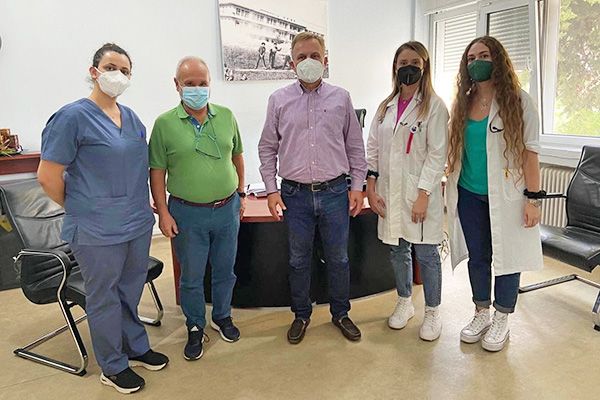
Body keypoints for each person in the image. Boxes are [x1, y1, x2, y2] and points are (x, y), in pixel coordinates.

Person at [37, 43, 169, 394]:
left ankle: (135, 347)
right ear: (94, 71)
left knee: (130, 288)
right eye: (111, 67)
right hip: (96, 229)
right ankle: (112, 365)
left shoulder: (133, 119)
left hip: (136, 222)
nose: (118, 75)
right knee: (104, 296)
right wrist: (84, 206)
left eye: (125, 71)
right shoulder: (72, 117)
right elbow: (48, 177)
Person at [258, 32, 368, 344]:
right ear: (292, 63)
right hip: (295, 195)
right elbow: (267, 148)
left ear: (325, 60)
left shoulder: (341, 98)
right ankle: (301, 314)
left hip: (335, 192)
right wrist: (271, 190)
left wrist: (357, 186)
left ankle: (341, 313)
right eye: (302, 57)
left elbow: (355, 147)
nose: (309, 62)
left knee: (339, 259)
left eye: (315, 56)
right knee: (298, 259)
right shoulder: (278, 100)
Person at [446, 36, 543, 352]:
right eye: (471, 58)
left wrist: (533, 199)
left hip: (507, 195)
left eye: (484, 55)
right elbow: (456, 149)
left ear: (498, 59)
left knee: (507, 256)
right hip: (469, 193)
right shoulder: (463, 102)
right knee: (479, 256)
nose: (477, 62)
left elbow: (530, 154)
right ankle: (481, 312)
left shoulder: (519, 101)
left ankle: (502, 316)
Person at [149, 56, 245, 361]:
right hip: (187, 213)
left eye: (202, 83)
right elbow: (156, 171)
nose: (197, 89)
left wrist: (241, 193)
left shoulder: (226, 116)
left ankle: (222, 316)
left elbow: (237, 156)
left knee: (225, 270)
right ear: (177, 85)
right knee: (191, 276)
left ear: (209, 84)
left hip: (227, 209)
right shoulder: (164, 124)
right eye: (189, 84)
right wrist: (163, 212)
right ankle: (194, 325)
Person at [366, 41, 448, 341]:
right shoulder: (385, 106)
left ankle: (433, 311)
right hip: (390, 190)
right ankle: (404, 301)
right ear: (395, 67)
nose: (408, 68)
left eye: (415, 63)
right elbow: (373, 148)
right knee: (397, 250)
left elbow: (438, 154)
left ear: (425, 68)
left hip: (420, 193)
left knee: (426, 253)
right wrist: (370, 187)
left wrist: (423, 194)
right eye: (403, 63)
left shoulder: (434, 106)